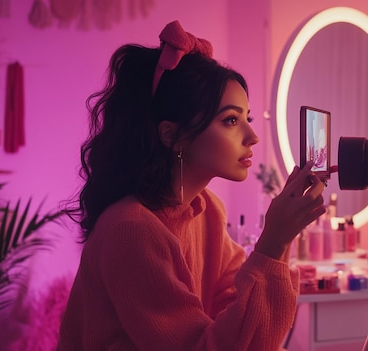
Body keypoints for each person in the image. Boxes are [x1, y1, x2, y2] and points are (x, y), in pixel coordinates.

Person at [58, 20, 326, 350]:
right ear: (173, 135)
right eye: (230, 120)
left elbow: (243, 323)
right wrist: (273, 243)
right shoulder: (131, 230)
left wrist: (281, 241)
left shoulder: (206, 209)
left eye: (247, 118)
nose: (252, 136)